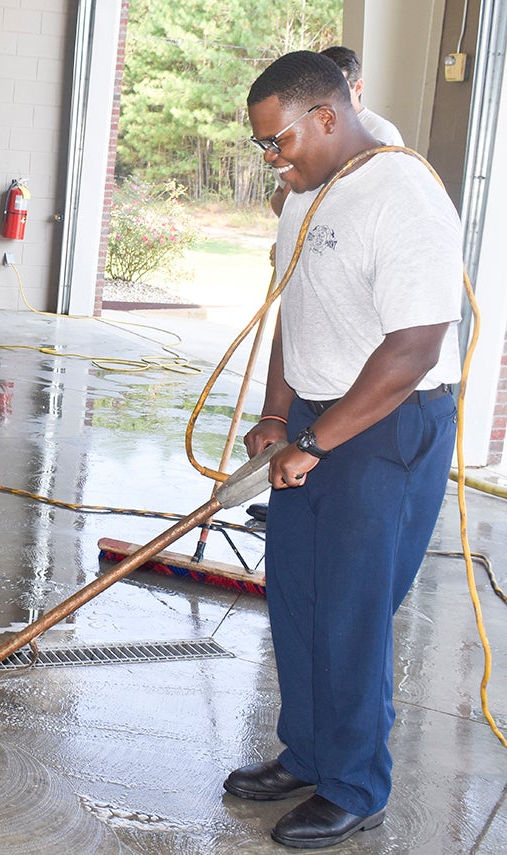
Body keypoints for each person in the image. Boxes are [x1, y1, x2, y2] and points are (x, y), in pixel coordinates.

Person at [225, 51, 462, 850]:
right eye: (264, 145)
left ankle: (356, 784)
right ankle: (311, 754)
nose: (272, 158)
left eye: (277, 141)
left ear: (326, 116)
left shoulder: (404, 195)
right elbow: (299, 307)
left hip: (389, 423)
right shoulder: (307, 193)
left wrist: (319, 442)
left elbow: (416, 347)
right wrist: (277, 415)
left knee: (353, 612)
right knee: (297, 596)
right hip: (318, 416)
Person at [269, 45, 403, 216]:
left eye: (339, 86)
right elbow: (279, 196)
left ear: (359, 87)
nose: (328, 95)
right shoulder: (304, 131)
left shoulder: (382, 134)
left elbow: (384, 204)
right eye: (320, 87)